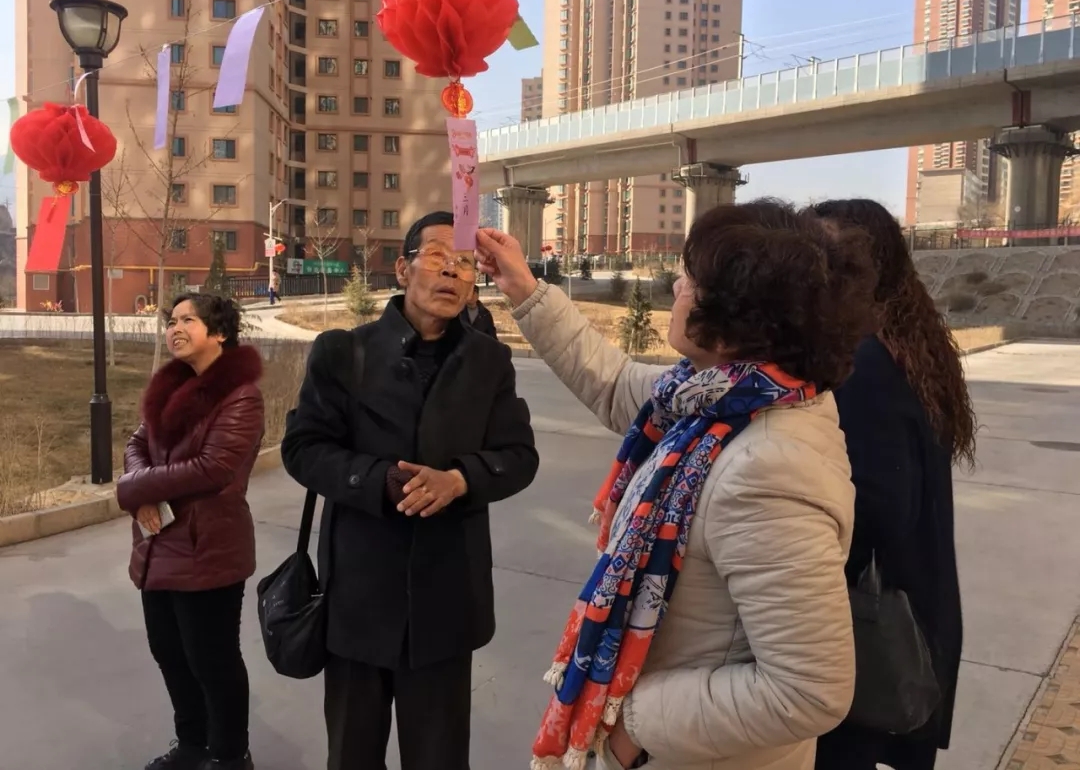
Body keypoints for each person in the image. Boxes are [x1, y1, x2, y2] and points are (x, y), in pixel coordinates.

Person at [475, 200, 878, 770]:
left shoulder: (767, 469)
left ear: (735, 317)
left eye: (690, 278)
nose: (675, 286)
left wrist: (634, 727)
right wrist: (524, 287)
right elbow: (614, 383)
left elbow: (809, 690)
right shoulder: (716, 400)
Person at [280, 211, 539, 770]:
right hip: (359, 598)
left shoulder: (488, 361)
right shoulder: (342, 352)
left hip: (447, 601)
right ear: (402, 269)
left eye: (465, 263)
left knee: (439, 758)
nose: (451, 272)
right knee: (352, 756)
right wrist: (378, 480)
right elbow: (303, 448)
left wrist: (461, 479)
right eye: (438, 256)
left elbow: (519, 456)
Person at [807, 199, 975, 770]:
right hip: (908, 611)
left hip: (878, 630)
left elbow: (878, 508)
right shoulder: (901, 345)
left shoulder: (867, 363)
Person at [116, 293, 264, 770]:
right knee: (170, 653)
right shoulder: (170, 387)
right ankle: (193, 745)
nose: (175, 328)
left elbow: (213, 467)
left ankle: (230, 756)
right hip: (159, 543)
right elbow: (137, 443)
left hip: (209, 548)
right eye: (172, 320)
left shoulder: (240, 396)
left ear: (218, 333)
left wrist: (134, 488)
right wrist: (142, 494)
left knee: (212, 660)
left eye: (188, 320)